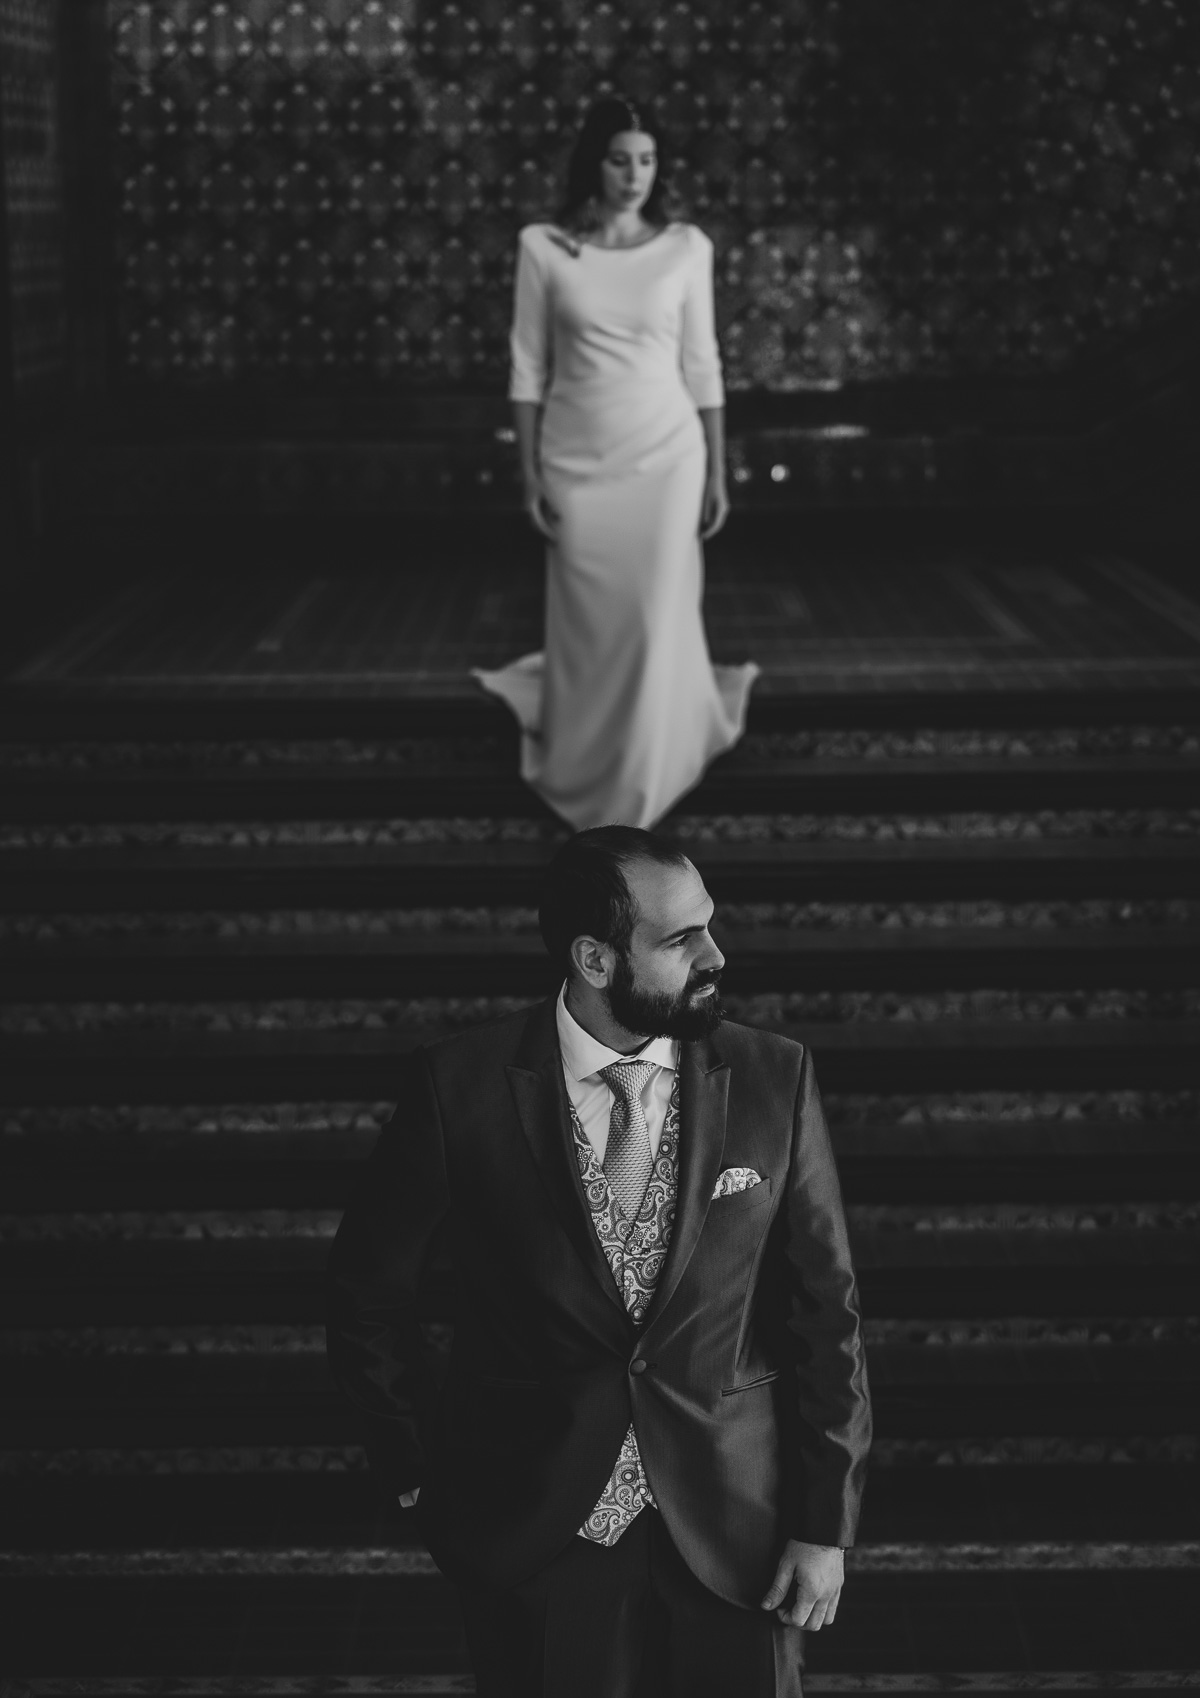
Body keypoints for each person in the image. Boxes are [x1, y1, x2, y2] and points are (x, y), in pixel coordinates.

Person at [326, 825, 872, 1697]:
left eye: (709, 924)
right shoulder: (457, 1086)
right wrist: (414, 1476)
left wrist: (825, 1525)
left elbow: (825, 1313)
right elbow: (365, 1298)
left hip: (737, 1534)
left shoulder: (775, 1076)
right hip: (540, 1535)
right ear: (594, 958)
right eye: (680, 938)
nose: (714, 954)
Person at [473, 98, 759, 830]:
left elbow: (703, 363)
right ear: (592, 163)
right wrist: (530, 473)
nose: (634, 175)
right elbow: (526, 367)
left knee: (656, 612)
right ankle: (586, 757)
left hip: (668, 457)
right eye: (619, 159)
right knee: (593, 619)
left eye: (647, 160)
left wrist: (718, 473)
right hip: (576, 459)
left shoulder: (686, 248)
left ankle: (651, 769)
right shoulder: (544, 246)